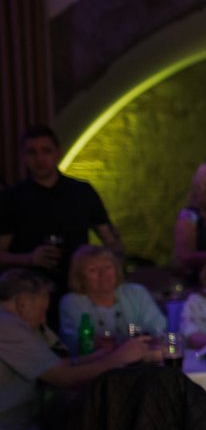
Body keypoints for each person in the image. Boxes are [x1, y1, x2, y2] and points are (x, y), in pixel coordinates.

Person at [0, 269, 158, 430]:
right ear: (22, 303)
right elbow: (63, 378)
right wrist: (119, 358)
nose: (43, 320)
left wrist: (103, 355)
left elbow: (59, 363)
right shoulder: (7, 326)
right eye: (41, 310)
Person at [0, 127, 122, 300]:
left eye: (46, 151)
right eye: (32, 153)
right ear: (23, 157)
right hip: (29, 294)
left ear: (58, 153)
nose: (39, 159)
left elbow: (110, 240)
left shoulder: (81, 192)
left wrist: (108, 270)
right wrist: (29, 258)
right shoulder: (11, 198)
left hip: (80, 291)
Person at [58, 245, 166, 344]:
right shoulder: (72, 303)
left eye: (108, 267)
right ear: (80, 277)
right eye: (93, 270)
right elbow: (76, 343)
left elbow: (159, 328)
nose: (103, 274)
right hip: (96, 364)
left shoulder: (136, 292)